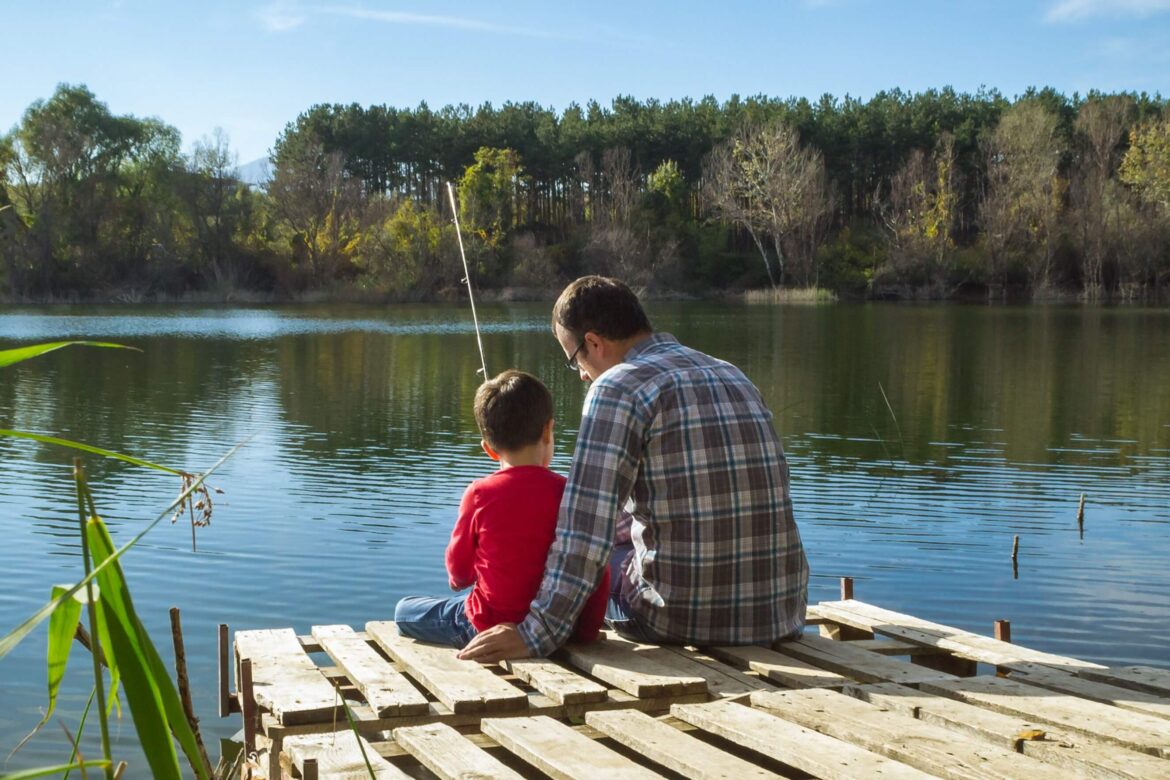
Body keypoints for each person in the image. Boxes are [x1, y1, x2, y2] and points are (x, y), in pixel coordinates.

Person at [459, 276, 808, 662]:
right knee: (611, 534)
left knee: (547, 557)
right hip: (779, 613)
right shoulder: (732, 374)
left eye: (574, 359)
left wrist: (535, 633)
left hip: (678, 619)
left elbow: (583, 534)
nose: (580, 373)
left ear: (593, 342)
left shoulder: (616, 388)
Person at [394, 369, 609, 648]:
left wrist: (462, 579)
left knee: (404, 611)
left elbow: (459, 572)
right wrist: (586, 631)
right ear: (548, 430)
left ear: (489, 449)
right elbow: (598, 569)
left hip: (487, 625)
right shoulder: (571, 493)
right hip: (561, 626)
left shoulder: (479, 493)